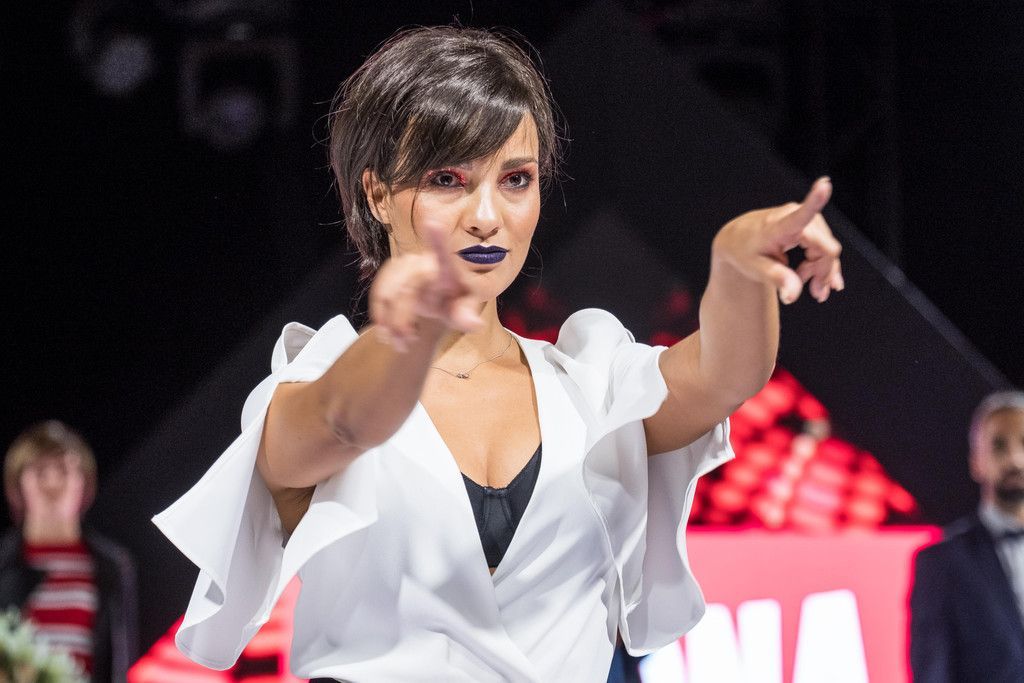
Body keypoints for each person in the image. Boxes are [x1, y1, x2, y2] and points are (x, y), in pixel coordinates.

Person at [153, 26, 843, 681]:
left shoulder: (589, 383)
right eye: (447, 179)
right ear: (377, 193)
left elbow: (723, 374)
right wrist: (406, 337)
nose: (487, 216)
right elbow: (343, 421)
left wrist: (738, 269)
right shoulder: (313, 382)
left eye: (515, 179)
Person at [0, 420, 138, 682]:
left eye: (63, 470)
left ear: (83, 482)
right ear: (19, 484)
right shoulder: (4, 561)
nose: (52, 484)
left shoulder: (111, 565)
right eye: (40, 472)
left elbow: (120, 661)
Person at [910, 391, 1024, 682]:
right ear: (976, 461)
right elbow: (933, 672)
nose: (1014, 459)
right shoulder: (942, 562)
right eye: (998, 446)